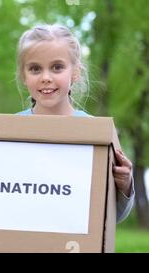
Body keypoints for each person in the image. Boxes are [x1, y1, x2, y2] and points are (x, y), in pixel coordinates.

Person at [15, 24, 134, 222]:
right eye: (35, 69)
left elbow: (113, 217)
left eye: (57, 67)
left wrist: (125, 184)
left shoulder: (97, 133)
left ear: (75, 72)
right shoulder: (7, 130)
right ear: (23, 76)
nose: (46, 77)